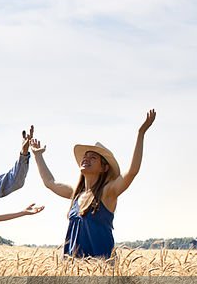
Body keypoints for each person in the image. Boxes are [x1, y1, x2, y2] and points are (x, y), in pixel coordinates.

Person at [31, 110, 156, 259]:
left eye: (93, 157)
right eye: (85, 156)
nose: (86, 159)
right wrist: (38, 155)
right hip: (72, 270)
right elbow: (50, 183)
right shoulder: (76, 194)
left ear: (104, 168)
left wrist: (141, 133)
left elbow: (132, 172)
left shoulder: (107, 192)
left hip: (100, 271)